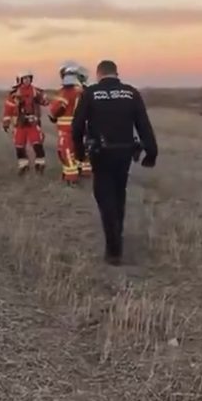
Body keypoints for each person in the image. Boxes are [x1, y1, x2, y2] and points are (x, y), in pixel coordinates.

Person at [72, 60, 157, 266]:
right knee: (119, 194)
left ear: (99, 74)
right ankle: (116, 234)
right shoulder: (131, 93)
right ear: (116, 73)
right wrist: (151, 153)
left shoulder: (91, 93)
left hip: (101, 154)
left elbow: (76, 126)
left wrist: (79, 153)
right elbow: (144, 125)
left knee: (104, 196)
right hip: (125, 153)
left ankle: (113, 249)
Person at [2, 70, 50, 175]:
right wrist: (6, 122)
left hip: (33, 123)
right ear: (20, 80)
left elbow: (46, 102)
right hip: (19, 124)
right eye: (24, 78)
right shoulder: (14, 94)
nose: (27, 80)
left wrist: (43, 98)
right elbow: (8, 109)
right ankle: (23, 166)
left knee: (37, 144)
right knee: (19, 146)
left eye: (28, 78)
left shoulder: (36, 91)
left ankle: (40, 165)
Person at [48, 67, 84, 186]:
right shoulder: (81, 91)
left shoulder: (65, 92)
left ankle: (71, 177)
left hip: (66, 128)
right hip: (80, 126)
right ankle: (80, 171)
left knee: (66, 151)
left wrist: (52, 116)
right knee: (76, 150)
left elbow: (56, 108)